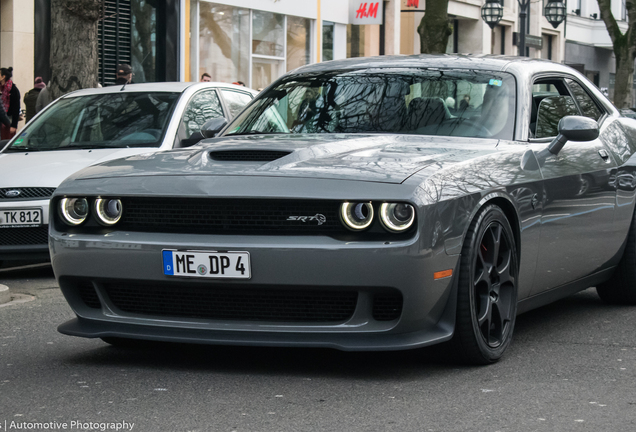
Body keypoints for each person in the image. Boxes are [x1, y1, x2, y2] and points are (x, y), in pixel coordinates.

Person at [0, 67, 21, 140]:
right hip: (1, 119)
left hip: (9, 119)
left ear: (3, 77)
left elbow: (16, 107)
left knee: (7, 140)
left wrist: (14, 125)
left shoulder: (13, 90)